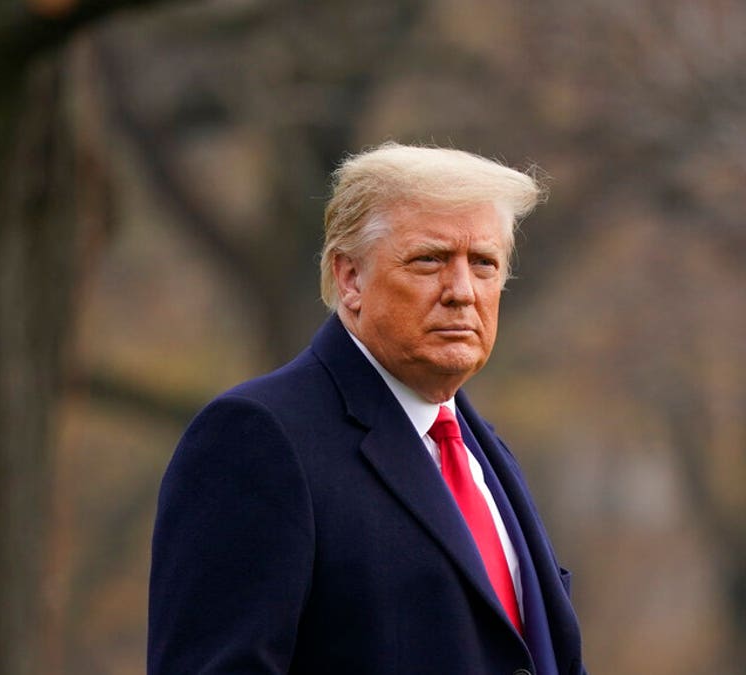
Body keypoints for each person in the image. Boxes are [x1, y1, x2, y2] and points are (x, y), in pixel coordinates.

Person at [147, 143, 585, 674]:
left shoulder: (481, 449)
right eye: (431, 259)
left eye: (484, 264)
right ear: (351, 278)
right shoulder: (255, 438)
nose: (462, 292)